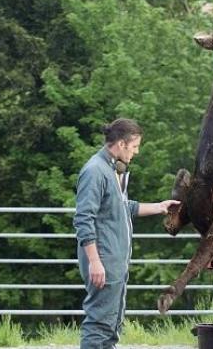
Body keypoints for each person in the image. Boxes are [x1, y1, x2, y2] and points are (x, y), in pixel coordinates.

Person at [73, 118, 179, 349]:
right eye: (135, 146)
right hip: (104, 260)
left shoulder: (112, 170)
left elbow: (124, 207)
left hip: (115, 260)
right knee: (99, 322)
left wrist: (160, 207)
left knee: (112, 323)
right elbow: (83, 219)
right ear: (121, 144)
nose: (137, 152)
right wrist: (95, 262)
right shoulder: (95, 171)